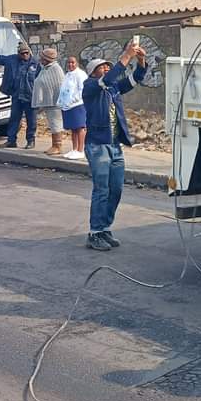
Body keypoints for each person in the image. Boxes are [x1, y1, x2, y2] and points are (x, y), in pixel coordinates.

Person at [82, 42, 147, 252]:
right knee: (101, 190)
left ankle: (105, 228)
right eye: (102, 67)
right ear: (93, 73)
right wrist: (126, 56)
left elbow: (134, 79)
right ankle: (94, 233)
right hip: (98, 146)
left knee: (116, 189)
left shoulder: (113, 89)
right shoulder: (90, 87)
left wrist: (141, 61)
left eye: (109, 66)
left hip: (115, 145)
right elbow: (109, 78)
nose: (107, 69)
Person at [32, 48, 66, 156]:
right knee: (52, 124)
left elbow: (59, 86)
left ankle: (57, 146)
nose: (40, 59)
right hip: (48, 101)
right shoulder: (45, 68)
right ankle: (54, 145)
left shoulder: (56, 69)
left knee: (56, 124)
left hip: (55, 102)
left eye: (42, 57)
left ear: (47, 59)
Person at [58, 56, 87, 160]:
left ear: (77, 63)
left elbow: (82, 90)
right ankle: (74, 149)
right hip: (67, 105)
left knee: (80, 127)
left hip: (78, 104)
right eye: (69, 63)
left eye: (73, 62)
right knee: (73, 128)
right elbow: (63, 89)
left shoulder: (81, 74)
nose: (70, 65)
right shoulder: (67, 75)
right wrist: (61, 101)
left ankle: (80, 150)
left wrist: (73, 100)